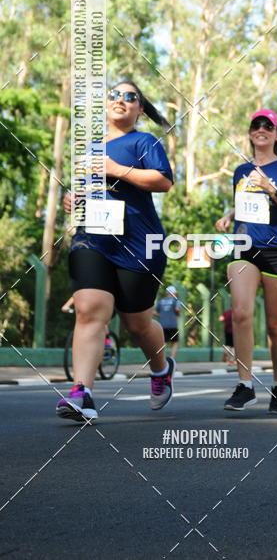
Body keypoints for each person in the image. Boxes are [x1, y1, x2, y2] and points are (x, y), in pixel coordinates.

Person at [58, 80, 175, 422]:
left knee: (137, 323)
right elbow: (86, 189)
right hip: (92, 238)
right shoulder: (90, 149)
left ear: (140, 109)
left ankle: (161, 367)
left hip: (139, 242)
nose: (120, 100)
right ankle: (82, 393)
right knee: (90, 309)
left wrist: (116, 169)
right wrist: (72, 199)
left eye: (130, 96)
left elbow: (164, 181)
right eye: (114, 95)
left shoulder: (144, 141)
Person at [216, 109, 277, 414]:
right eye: (257, 125)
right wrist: (230, 215)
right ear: (251, 132)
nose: (262, 129)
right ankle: (245, 385)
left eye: (269, 125)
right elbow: (246, 206)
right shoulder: (240, 171)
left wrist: (270, 187)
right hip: (244, 246)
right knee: (240, 313)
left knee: (275, 324)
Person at [155, 285, 181, 361]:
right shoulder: (176, 301)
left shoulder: (161, 301)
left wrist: (163, 315)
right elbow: (177, 309)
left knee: (163, 342)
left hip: (162, 325)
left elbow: (155, 312)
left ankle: (161, 359)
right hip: (172, 325)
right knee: (175, 342)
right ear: (173, 293)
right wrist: (178, 313)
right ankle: (172, 358)